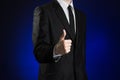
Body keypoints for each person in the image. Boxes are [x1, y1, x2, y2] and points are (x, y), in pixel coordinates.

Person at [32, 0, 87, 80]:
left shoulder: (81, 16)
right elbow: (39, 52)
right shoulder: (44, 11)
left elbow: (80, 58)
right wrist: (56, 50)